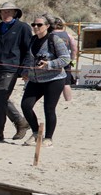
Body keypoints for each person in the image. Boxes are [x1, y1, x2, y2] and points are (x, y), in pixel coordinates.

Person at [0, 0, 32, 143]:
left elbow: (28, 49)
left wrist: (25, 68)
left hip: (12, 67)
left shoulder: (23, 28)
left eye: (8, 11)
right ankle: (20, 122)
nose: (5, 14)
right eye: (3, 11)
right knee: (0, 99)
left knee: (1, 97)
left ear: (15, 13)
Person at [21, 13, 72, 143]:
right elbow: (28, 57)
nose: (36, 27)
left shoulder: (54, 39)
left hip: (54, 79)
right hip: (35, 80)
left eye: (39, 25)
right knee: (26, 105)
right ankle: (36, 132)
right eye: (33, 24)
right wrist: (26, 70)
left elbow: (66, 59)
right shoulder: (32, 40)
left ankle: (48, 138)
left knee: (49, 109)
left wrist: (49, 64)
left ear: (47, 26)